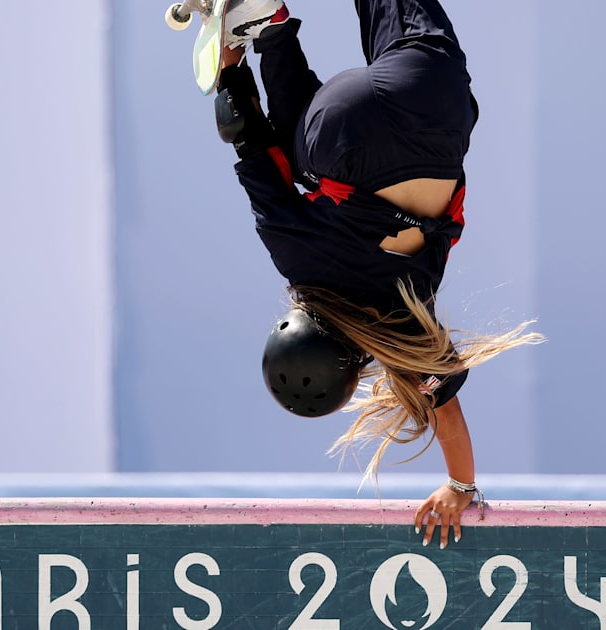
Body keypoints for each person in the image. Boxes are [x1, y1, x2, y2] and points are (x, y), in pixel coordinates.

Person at [207, 0, 543, 549]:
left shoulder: (401, 337)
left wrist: (460, 487)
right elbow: (250, 144)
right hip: (340, 126)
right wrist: (231, 67)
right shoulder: (297, 262)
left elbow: (449, 417)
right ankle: (269, 26)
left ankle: (268, 27)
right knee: (299, 162)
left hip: (431, 105)